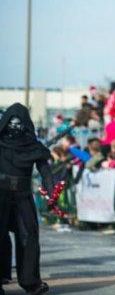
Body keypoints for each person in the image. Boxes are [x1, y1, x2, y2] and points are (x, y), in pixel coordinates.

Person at [0, 104, 55, 295]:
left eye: (19, 123)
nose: (15, 127)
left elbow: (46, 171)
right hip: (1, 195)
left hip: (23, 196)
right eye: (12, 123)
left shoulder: (33, 146)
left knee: (29, 237)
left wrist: (51, 192)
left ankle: (31, 282)